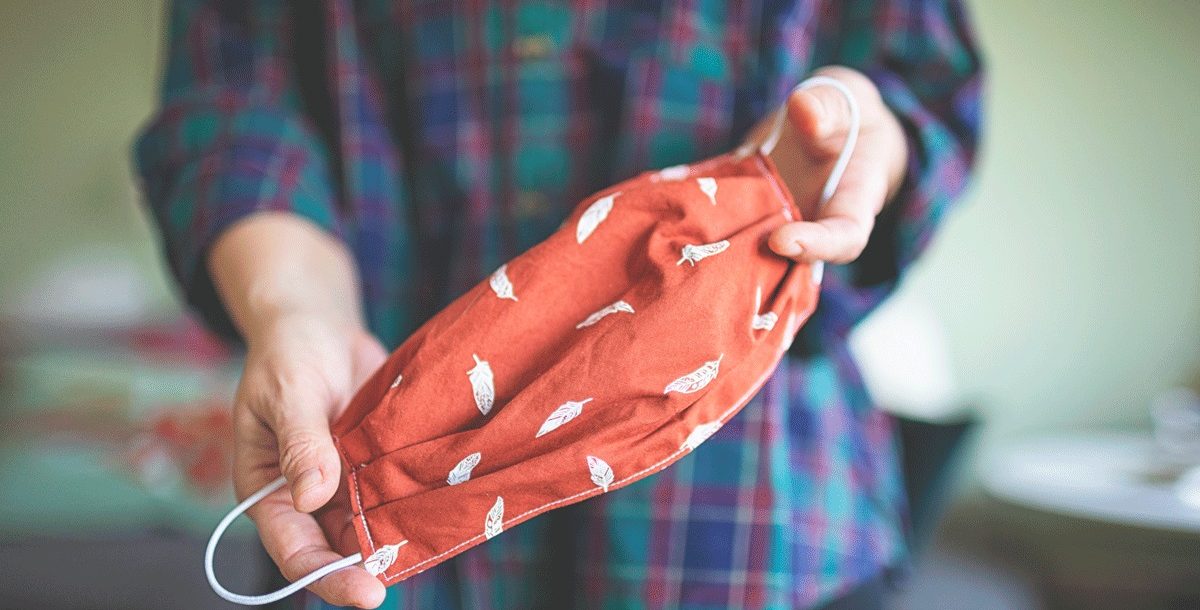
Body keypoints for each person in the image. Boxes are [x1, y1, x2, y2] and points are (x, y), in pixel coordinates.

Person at [135, 2, 981, 608]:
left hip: (752, 523)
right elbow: (234, 97)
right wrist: (293, 308)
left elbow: (921, 75)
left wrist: (863, 138)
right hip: (362, 453)